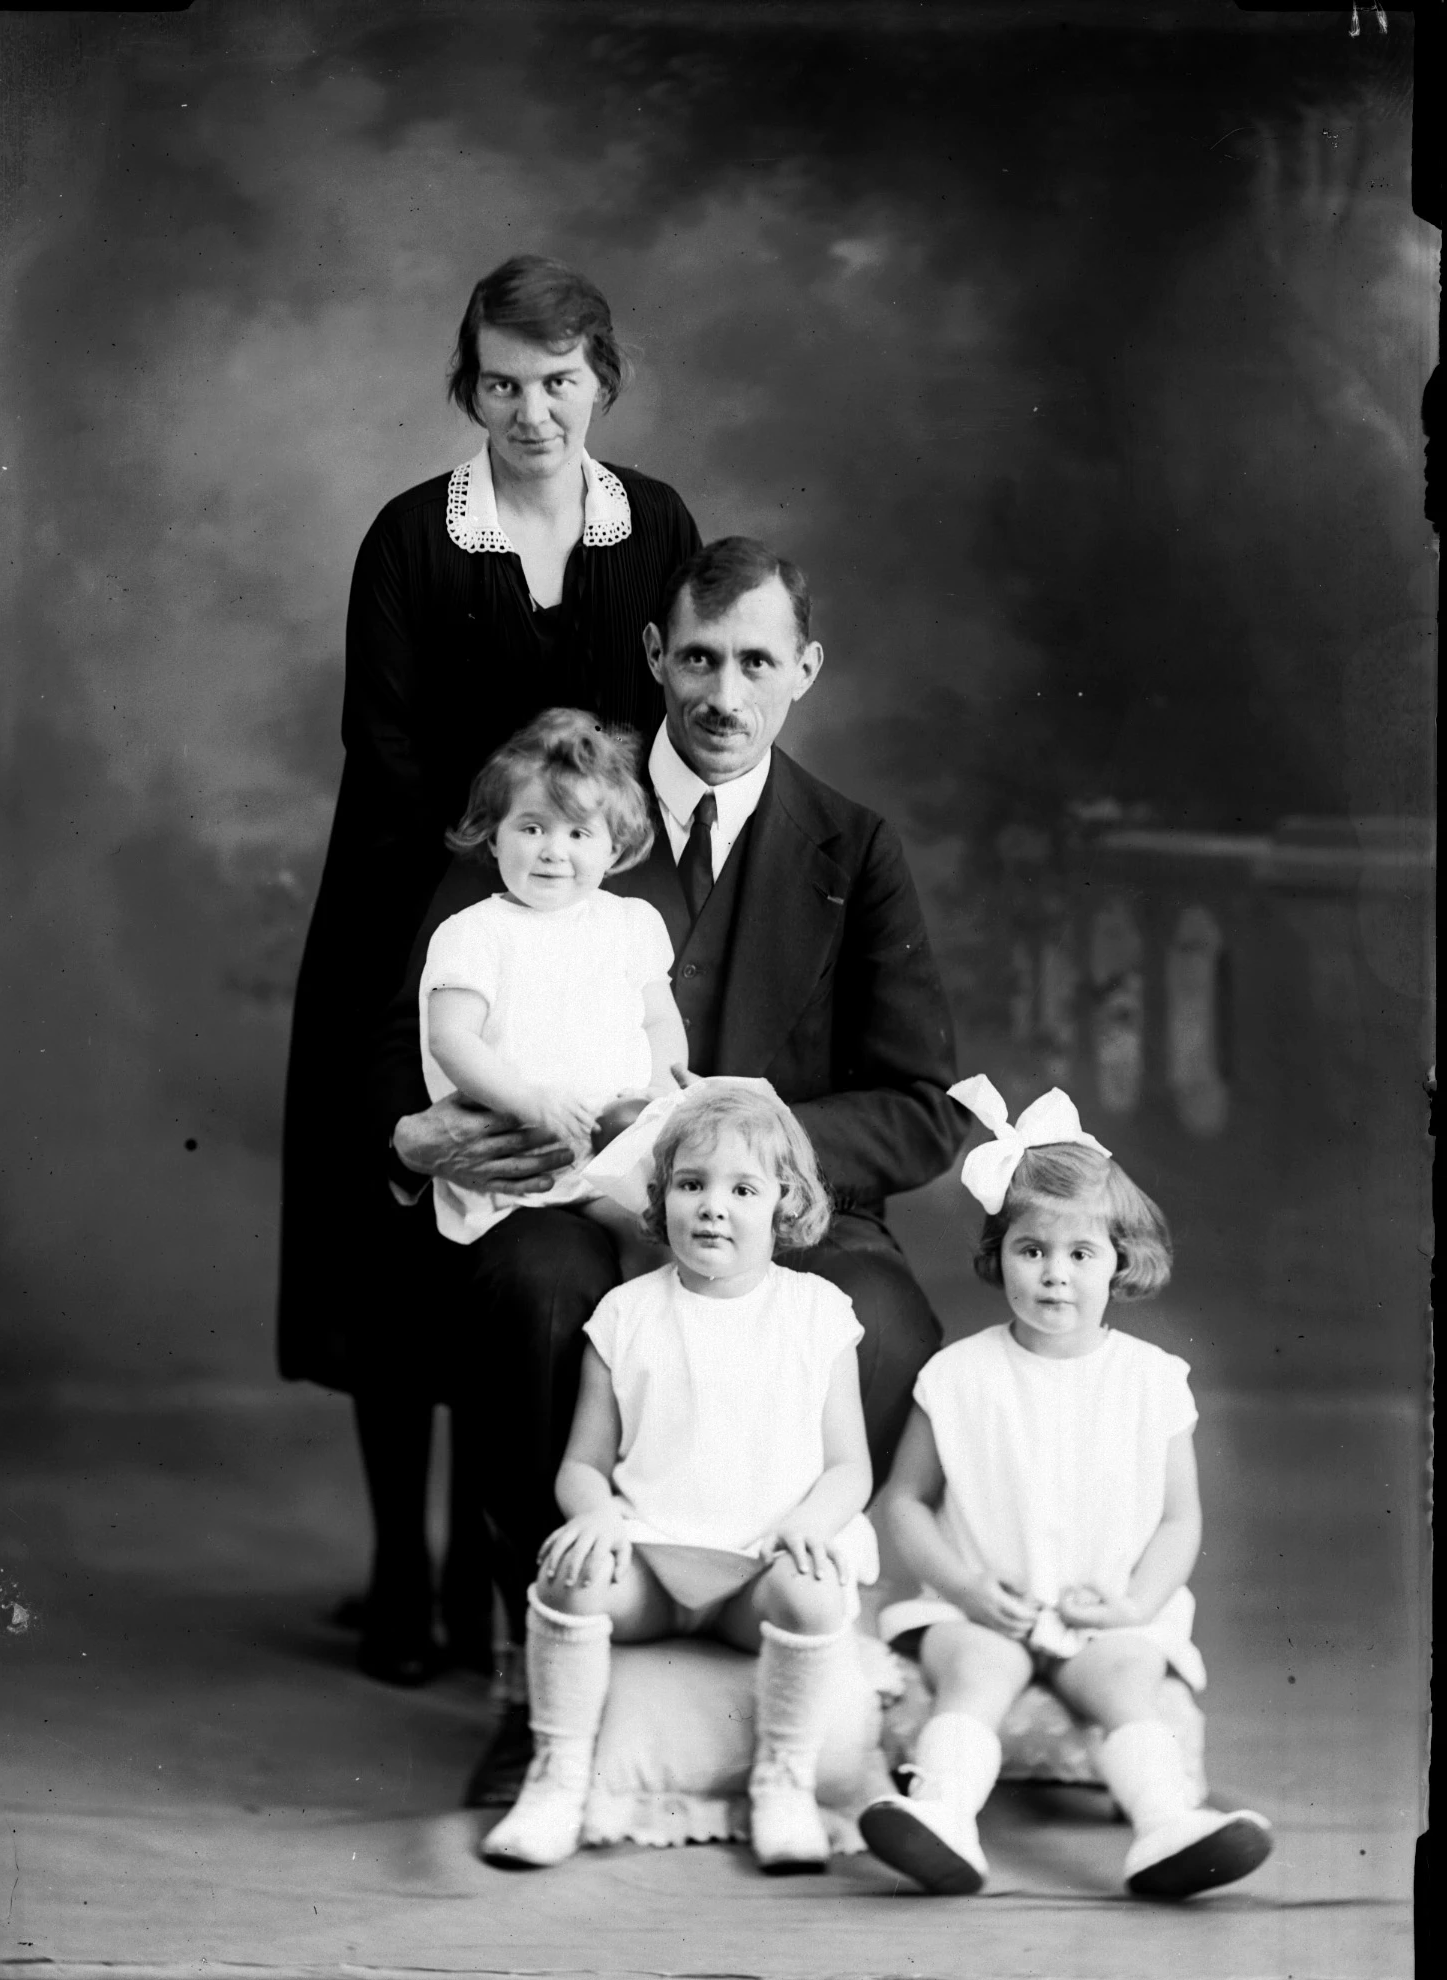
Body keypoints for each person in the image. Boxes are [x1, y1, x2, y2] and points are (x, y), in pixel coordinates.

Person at [378, 536, 968, 1803]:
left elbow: (922, 1106)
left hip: (775, 1205)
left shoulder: (853, 848)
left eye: (755, 662)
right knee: (537, 1291)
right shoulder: (557, 807)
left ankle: (775, 1645)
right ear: (655, 656)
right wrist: (407, 1137)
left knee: (880, 1323)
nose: (721, 693)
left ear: (804, 669)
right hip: (564, 1190)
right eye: (698, 659)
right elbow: (419, 1017)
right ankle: (546, 1662)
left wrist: (751, 1141)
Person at [277, 255, 700, 1684]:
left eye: (558, 382)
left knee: (526, 1234)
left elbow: (658, 739)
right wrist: (490, 908)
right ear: (469, 387)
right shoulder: (411, 536)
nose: (531, 413)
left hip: (586, 919)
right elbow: (385, 754)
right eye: (502, 384)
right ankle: (404, 1572)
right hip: (415, 919)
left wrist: (582, 907)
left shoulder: (656, 527)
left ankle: (483, 1568)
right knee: (402, 1237)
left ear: (603, 382)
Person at [858, 1075, 1275, 1901]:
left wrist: (1134, 1604)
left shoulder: (1152, 1381)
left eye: (1081, 1254)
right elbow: (904, 1502)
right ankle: (942, 1817)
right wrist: (966, 1590)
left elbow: (1179, 1519)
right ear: (998, 1255)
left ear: (1121, 1262)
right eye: (1032, 1250)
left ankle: (1167, 1827)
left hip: (1104, 1612)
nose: (1055, 1274)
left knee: (1126, 1682)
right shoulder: (959, 1376)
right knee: (974, 1673)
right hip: (982, 1608)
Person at [481, 1084, 875, 1873]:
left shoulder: (818, 1313)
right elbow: (583, 1463)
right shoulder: (626, 1314)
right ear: (661, 1198)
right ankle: (558, 1777)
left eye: (743, 1190)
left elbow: (849, 1466)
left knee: (815, 1591)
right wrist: (594, 1514)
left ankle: (785, 1781)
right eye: (692, 1184)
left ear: (786, 1202)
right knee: (566, 1576)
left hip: (756, 1574)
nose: (713, 1208)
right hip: (653, 1569)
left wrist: (811, 1522)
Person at [419, 707, 685, 1259]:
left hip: (615, 1153)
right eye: (532, 827)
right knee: (554, 1260)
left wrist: (659, 1092)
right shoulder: (473, 933)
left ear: (613, 849)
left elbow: (659, 1019)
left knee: (659, 1241)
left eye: (579, 832)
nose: (553, 851)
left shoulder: (631, 923)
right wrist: (528, 1101)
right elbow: (450, 1039)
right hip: (519, 1160)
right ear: (495, 837)